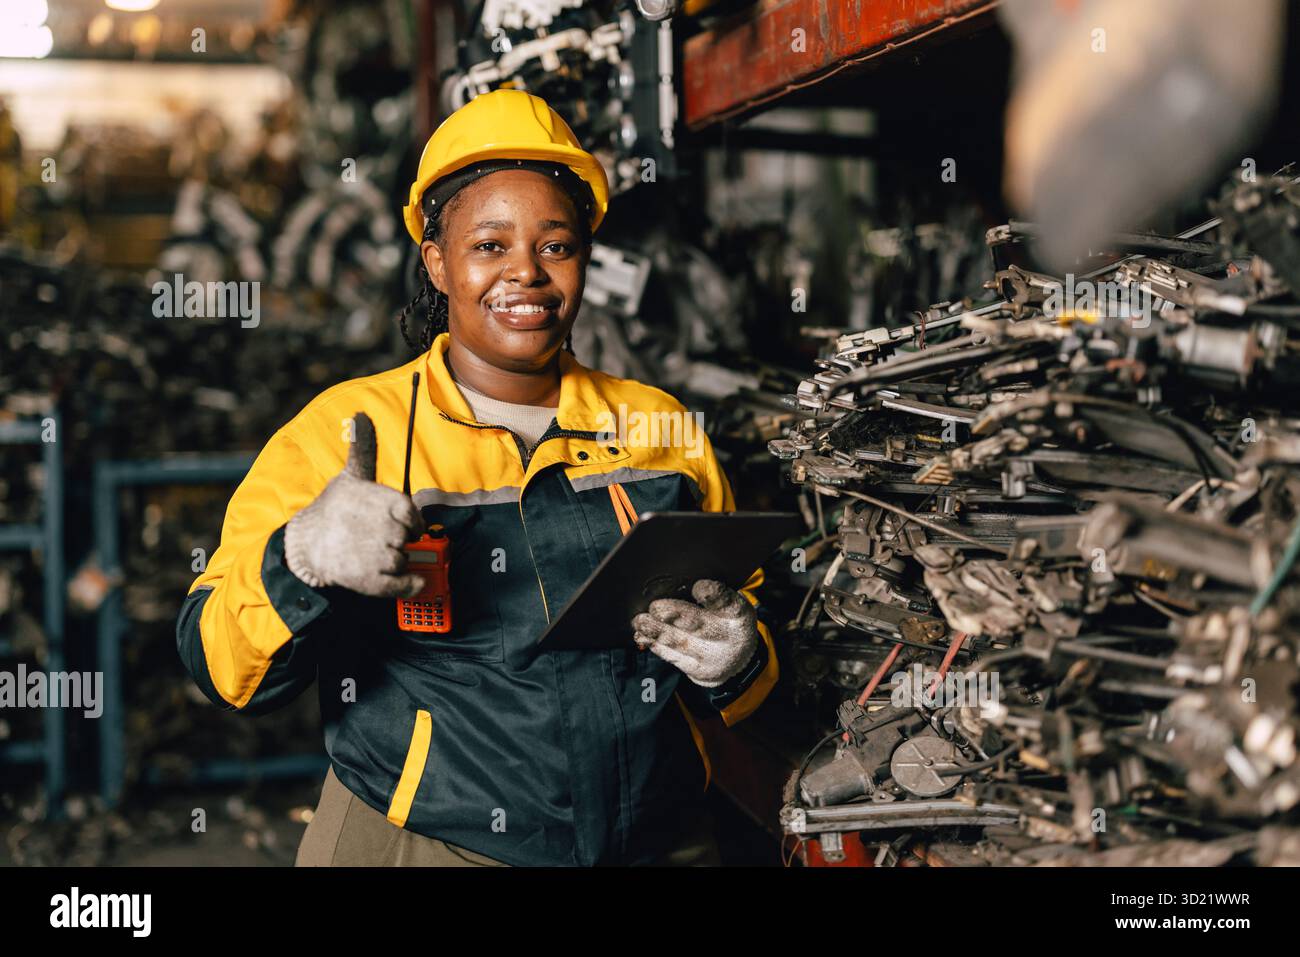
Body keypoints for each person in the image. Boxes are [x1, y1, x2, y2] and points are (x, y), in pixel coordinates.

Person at [176, 90, 778, 866]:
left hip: (654, 842)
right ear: (437, 260)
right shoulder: (349, 429)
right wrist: (301, 558)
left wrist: (743, 658)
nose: (525, 272)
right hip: (422, 845)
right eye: (489, 245)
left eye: (555, 245)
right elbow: (221, 665)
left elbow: (749, 616)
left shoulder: (659, 429)